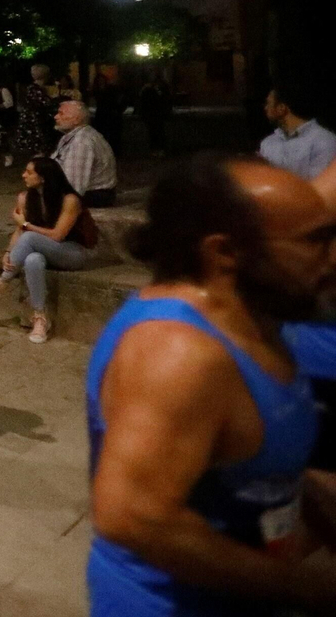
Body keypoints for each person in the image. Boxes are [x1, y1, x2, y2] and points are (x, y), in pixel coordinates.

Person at [86, 155, 336, 615]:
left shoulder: (258, 319)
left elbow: (264, 470)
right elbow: (131, 515)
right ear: (223, 253)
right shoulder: (180, 354)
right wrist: (306, 589)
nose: (333, 256)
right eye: (316, 241)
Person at [0, 156, 97, 342]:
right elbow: (18, 230)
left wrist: (26, 225)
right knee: (33, 260)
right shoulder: (25, 198)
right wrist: (8, 252)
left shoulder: (70, 199)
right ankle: (40, 318)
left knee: (29, 236)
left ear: (44, 177)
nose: (24, 175)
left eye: (29, 172)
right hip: (42, 250)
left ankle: (2, 283)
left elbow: (57, 235)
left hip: (71, 252)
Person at [258, 84, 336, 182]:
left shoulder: (323, 140)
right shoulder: (268, 143)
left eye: (268, 103)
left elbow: (320, 186)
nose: (265, 108)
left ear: (282, 108)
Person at [51, 100, 118, 207]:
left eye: (61, 113)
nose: (55, 117)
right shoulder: (73, 136)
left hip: (95, 195)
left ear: (76, 119)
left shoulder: (81, 141)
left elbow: (74, 184)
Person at [15, 64, 54, 159]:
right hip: (36, 121)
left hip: (34, 119)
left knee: (38, 146)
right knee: (38, 146)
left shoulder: (35, 88)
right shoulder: (35, 89)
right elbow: (45, 104)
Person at [90, 75, 126, 157]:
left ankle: (114, 152)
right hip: (102, 114)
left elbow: (117, 100)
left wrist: (117, 110)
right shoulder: (97, 90)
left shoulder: (111, 89)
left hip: (111, 113)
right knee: (103, 134)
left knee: (113, 135)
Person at [137, 76, 173, 157]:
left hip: (154, 114)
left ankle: (157, 149)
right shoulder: (151, 90)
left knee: (156, 132)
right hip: (154, 114)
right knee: (156, 132)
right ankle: (157, 149)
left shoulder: (149, 89)